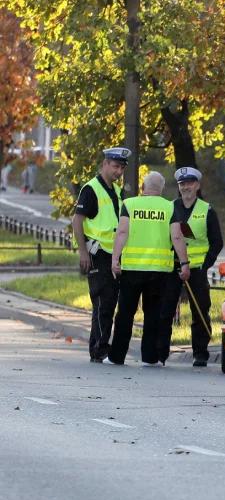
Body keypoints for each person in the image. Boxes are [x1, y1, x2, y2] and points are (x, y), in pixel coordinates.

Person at [107, 172, 190, 366]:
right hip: (159, 271)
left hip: (132, 269)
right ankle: (150, 357)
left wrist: (114, 259)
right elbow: (177, 237)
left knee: (125, 313)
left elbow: (122, 232)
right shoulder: (170, 207)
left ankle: (117, 356)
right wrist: (185, 264)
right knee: (153, 314)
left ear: (143, 186)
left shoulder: (130, 204)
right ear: (161, 188)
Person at [157, 167, 223, 367]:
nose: (186, 187)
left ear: (197, 186)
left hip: (197, 268)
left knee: (200, 310)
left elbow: (216, 242)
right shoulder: (170, 208)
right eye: (182, 184)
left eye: (189, 183)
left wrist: (205, 265)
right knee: (165, 310)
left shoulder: (207, 210)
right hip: (172, 266)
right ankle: (161, 353)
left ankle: (200, 353)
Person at [71, 147, 127, 363]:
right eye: (115, 166)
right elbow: (77, 221)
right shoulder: (91, 189)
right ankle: (99, 349)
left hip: (114, 254)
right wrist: (83, 252)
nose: (118, 171)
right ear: (105, 164)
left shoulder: (116, 191)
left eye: (121, 168)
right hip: (98, 254)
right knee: (103, 303)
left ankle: (101, 346)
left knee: (109, 303)